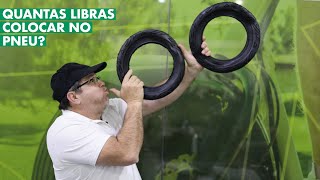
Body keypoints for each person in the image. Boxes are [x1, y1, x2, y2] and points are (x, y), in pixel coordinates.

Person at [47, 40, 211, 180]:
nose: (101, 83)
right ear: (73, 97)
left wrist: (190, 72)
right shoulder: (66, 130)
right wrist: (133, 103)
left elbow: (153, 100)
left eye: (98, 78)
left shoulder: (110, 109)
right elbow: (127, 154)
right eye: (91, 81)